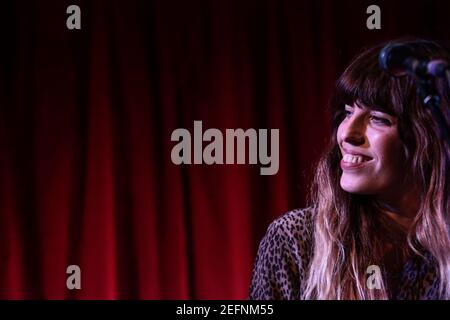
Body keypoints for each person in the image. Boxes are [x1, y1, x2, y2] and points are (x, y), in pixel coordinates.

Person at [249, 38, 450, 300]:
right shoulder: (296, 241)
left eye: (378, 119)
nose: (347, 134)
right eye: (347, 112)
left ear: (430, 137)